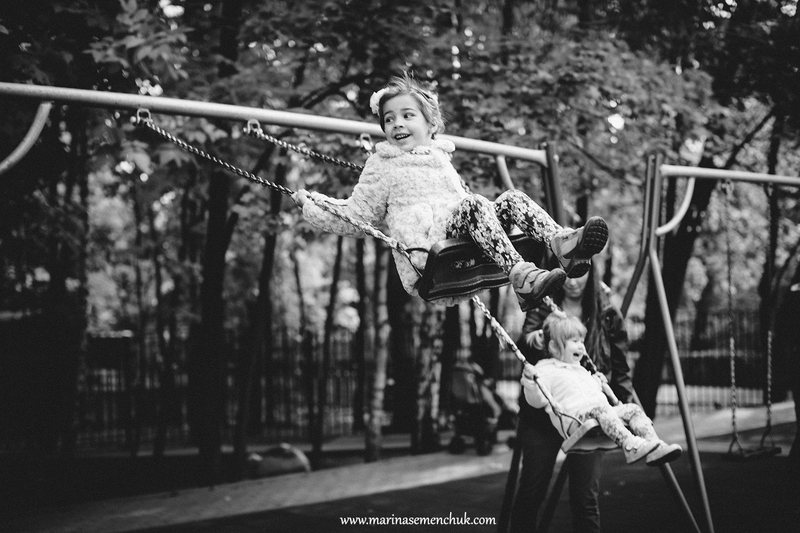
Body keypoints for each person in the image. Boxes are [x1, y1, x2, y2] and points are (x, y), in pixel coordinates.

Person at [293, 73, 608, 309]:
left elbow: (463, 205)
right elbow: (356, 215)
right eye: (389, 119)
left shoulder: (440, 158)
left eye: (407, 115)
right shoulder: (382, 164)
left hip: (466, 243)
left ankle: (562, 244)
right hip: (433, 257)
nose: (397, 124)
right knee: (474, 204)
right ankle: (521, 277)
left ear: (431, 125)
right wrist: (312, 205)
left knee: (512, 199)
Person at [509, 267, 635, 533]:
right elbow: (525, 343)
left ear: (592, 273)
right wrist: (539, 338)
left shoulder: (606, 312)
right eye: (567, 274)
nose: (573, 282)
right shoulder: (542, 303)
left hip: (587, 415)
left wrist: (620, 404)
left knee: (585, 498)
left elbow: (620, 365)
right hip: (544, 416)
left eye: (581, 274)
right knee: (531, 490)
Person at [521, 312, 682, 465]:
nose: (581, 347)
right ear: (555, 347)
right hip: (576, 421)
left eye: (582, 341)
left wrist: (597, 383)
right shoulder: (545, 370)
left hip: (600, 413)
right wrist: (530, 382)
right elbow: (537, 401)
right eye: (575, 341)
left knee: (632, 409)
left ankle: (655, 446)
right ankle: (630, 446)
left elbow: (587, 393)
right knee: (600, 409)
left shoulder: (581, 369)